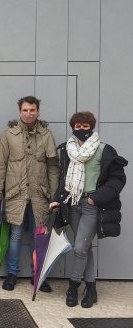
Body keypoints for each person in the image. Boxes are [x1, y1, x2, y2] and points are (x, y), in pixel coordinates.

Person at [50, 111, 127, 308]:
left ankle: (73, 286)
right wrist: (57, 199)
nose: (82, 129)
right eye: (78, 126)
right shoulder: (67, 149)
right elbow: (63, 177)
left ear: (91, 127)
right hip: (73, 203)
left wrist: (96, 198)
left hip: (92, 205)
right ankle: (91, 289)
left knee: (80, 248)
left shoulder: (104, 149)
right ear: (73, 127)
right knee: (83, 248)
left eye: (86, 126)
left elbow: (118, 179)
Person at [0, 96, 59, 292]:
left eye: (32, 110)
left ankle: (38, 275)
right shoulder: (8, 135)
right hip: (16, 194)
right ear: (19, 111)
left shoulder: (47, 135)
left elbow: (53, 168)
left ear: (38, 111)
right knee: (14, 236)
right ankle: (12, 274)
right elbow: (0, 165)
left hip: (40, 195)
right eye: (25, 110)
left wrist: (55, 196)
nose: (28, 113)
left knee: (39, 237)